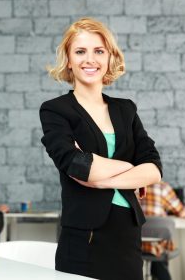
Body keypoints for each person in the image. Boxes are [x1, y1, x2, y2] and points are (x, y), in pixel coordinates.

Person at [39, 17, 163, 280]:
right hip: (85, 236)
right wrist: (130, 168)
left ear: (109, 57)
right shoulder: (55, 110)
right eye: (80, 51)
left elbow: (153, 168)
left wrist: (101, 180)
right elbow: (76, 165)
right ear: (69, 60)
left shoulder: (126, 109)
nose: (90, 59)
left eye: (99, 51)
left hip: (127, 231)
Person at [139, 181, 185, 280]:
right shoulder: (162, 187)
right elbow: (183, 213)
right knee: (159, 250)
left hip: (135, 245)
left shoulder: (132, 186)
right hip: (156, 246)